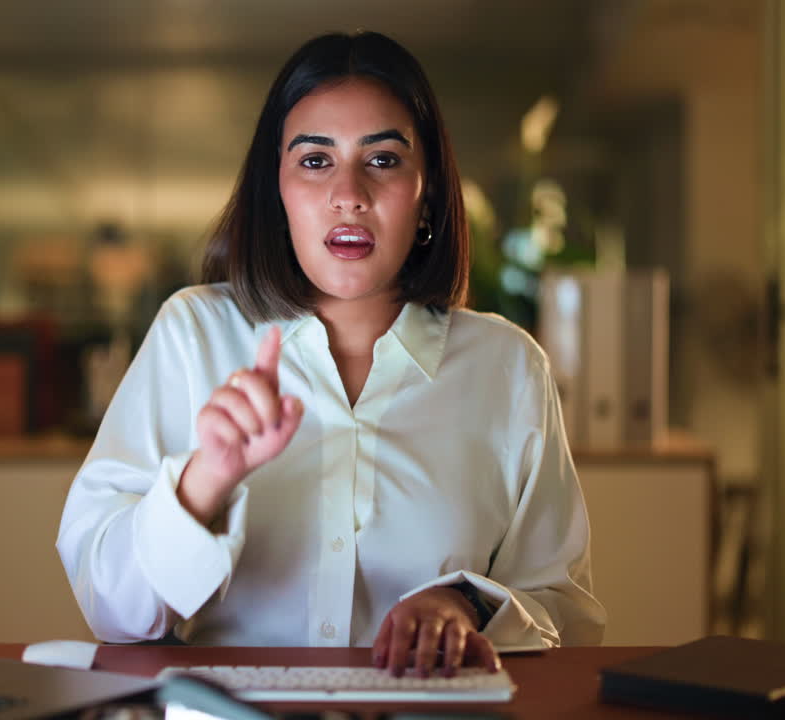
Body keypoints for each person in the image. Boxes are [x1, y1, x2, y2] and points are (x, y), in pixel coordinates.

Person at [56, 30, 606, 678]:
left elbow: (567, 614)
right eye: (315, 160)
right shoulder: (191, 336)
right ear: (277, 190)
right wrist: (206, 479)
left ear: (427, 191)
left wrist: (466, 606)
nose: (349, 193)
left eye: (383, 160)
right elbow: (109, 608)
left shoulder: (509, 369)